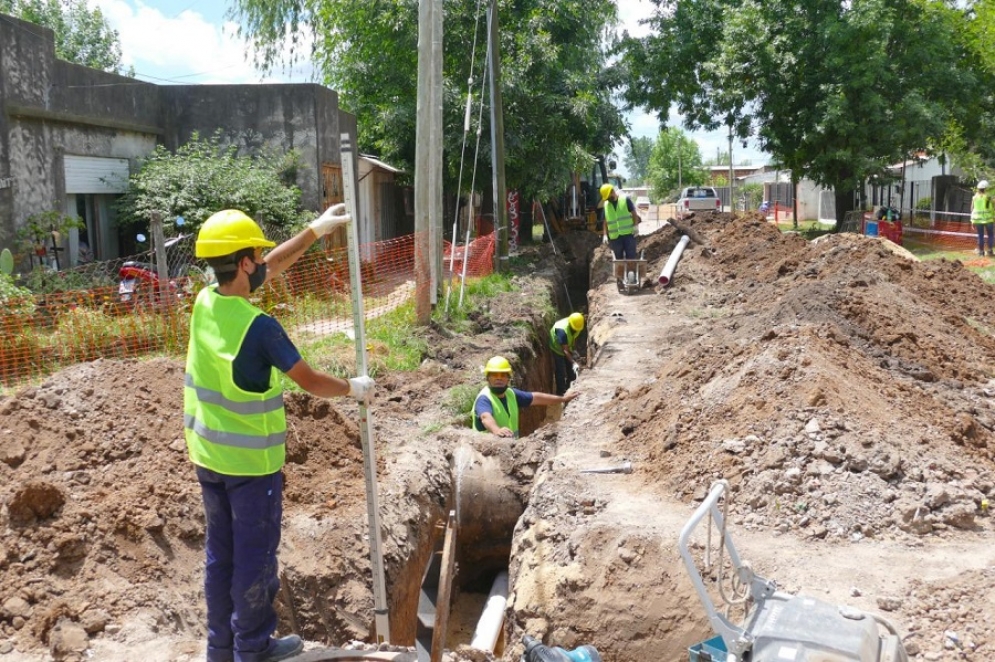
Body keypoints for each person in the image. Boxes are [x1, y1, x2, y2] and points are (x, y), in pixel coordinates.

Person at [184, 205, 375, 662]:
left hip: (208, 457)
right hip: (251, 468)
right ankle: (252, 649)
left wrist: (316, 230)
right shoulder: (261, 328)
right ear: (245, 262)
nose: (263, 262)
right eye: (256, 255)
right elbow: (309, 380)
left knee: (221, 557)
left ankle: (222, 649)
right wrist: (354, 388)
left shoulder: (206, 302)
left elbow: (274, 266)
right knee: (255, 561)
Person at [472, 356, 577, 438]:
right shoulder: (484, 398)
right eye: (494, 375)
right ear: (487, 378)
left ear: (508, 378)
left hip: (510, 450)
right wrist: (496, 430)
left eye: (503, 375)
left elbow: (536, 398)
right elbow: (485, 418)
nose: (499, 379)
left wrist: (563, 399)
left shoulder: (511, 394)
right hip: (486, 457)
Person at [599, 184, 641, 283]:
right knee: (619, 258)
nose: (608, 199)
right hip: (615, 237)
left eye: (609, 196)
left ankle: (632, 277)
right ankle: (621, 278)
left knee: (631, 256)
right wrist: (605, 234)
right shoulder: (606, 205)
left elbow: (634, 214)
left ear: (612, 191)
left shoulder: (625, 199)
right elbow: (605, 222)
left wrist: (635, 226)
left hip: (628, 234)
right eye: (606, 197)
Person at [549, 313, 584, 395]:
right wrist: (574, 362)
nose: (577, 330)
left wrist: (573, 350)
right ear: (571, 324)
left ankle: (570, 385)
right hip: (557, 348)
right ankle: (561, 393)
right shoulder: (562, 331)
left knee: (571, 370)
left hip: (566, 346)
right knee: (560, 371)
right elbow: (565, 350)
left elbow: (573, 337)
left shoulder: (577, 324)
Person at [970, 180, 994, 257]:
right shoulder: (988, 197)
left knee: (980, 235)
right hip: (988, 219)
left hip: (978, 220)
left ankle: (981, 252)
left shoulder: (974, 197)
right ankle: (990, 251)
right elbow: (992, 206)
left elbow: (972, 209)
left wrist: (972, 221)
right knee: (990, 235)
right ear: (986, 188)